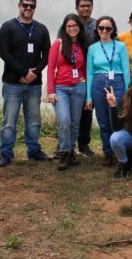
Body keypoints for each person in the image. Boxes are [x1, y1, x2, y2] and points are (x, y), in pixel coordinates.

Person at [0, 0, 52, 166]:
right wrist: (22, 72)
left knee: (34, 120)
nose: (28, 9)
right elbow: (4, 53)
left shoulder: (41, 29)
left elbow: (47, 55)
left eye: (32, 6)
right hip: (13, 82)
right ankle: (6, 153)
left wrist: (34, 72)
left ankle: (34, 150)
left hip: (34, 83)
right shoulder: (8, 27)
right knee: (9, 121)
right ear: (19, 5)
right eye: (25, 5)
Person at [86, 16, 131, 166]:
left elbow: (126, 70)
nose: (104, 31)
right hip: (99, 83)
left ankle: (120, 151)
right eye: (101, 28)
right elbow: (90, 73)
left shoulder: (120, 46)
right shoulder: (92, 48)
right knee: (103, 121)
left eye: (108, 28)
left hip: (117, 83)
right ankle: (108, 152)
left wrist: (128, 92)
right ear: (97, 30)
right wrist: (88, 96)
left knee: (117, 120)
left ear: (113, 30)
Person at [47, 14, 89, 170]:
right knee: (64, 120)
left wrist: (87, 93)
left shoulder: (83, 45)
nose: (72, 29)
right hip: (61, 88)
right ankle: (64, 152)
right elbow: (50, 68)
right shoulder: (58, 44)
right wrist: (51, 91)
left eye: (75, 26)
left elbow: (85, 69)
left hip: (79, 87)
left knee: (75, 123)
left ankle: (71, 152)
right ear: (65, 28)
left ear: (79, 27)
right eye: (69, 26)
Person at [74, 0, 97, 158]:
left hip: (92, 73)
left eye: (88, 5)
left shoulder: (97, 26)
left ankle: (83, 144)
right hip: (73, 73)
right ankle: (66, 145)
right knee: (69, 111)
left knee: (87, 109)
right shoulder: (70, 24)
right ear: (77, 8)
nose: (86, 8)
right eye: (82, 6)